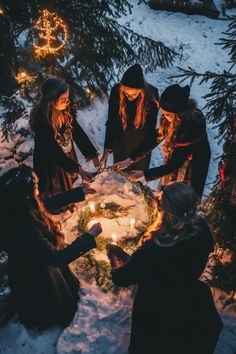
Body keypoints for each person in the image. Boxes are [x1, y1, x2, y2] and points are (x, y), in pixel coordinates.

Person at [107, 182, 222, 354]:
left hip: (157, 305)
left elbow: (123, 277)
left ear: (167, 213)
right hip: (190, 299)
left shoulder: (156, 246)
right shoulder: (201, 229)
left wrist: (114, 256)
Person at [0, 165, 102, 329]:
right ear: (26, 196)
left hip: (37, 261)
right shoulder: (25, 229)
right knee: (49, 300)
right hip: (36, 275)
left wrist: (78, 193)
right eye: (36, 188)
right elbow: (57, 258)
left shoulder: (19, 208)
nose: (38, 191)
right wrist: (89, 237)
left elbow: (46, 204)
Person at [112, 84, 211, 198]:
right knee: (166, 190)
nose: (164, 116)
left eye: (167, 114)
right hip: (176, 159)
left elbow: (174, 165)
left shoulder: (188, 130)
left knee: (182, 198)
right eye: (163, 112)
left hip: (193, 165)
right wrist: (130, 159)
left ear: (179, 114)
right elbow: (155, 138)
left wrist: (145, 174)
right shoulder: (171, 118)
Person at [30, 77, 99, 197]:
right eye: (63, 99)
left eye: (67, 98)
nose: (67, 102)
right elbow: (53, 150)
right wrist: (78, 169)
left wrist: (91, 153)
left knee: (68, 183)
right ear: (51, 101)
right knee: (56, 192)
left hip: (67, 154)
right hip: (50, 162)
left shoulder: (66, 111)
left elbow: (77, 132)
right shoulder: (41, 120)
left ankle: (69, 203)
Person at [100, 64, 159, 170]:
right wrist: (107, 146)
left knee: (136, 174)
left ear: (141, 91)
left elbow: (151, 129)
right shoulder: (116, 92)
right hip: (121, 139)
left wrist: (142, 151)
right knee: (120, 171)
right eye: (126, 94)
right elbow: (112, 120)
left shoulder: (152, 96)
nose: (129, 97)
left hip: (141, 142)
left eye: (133, 95)